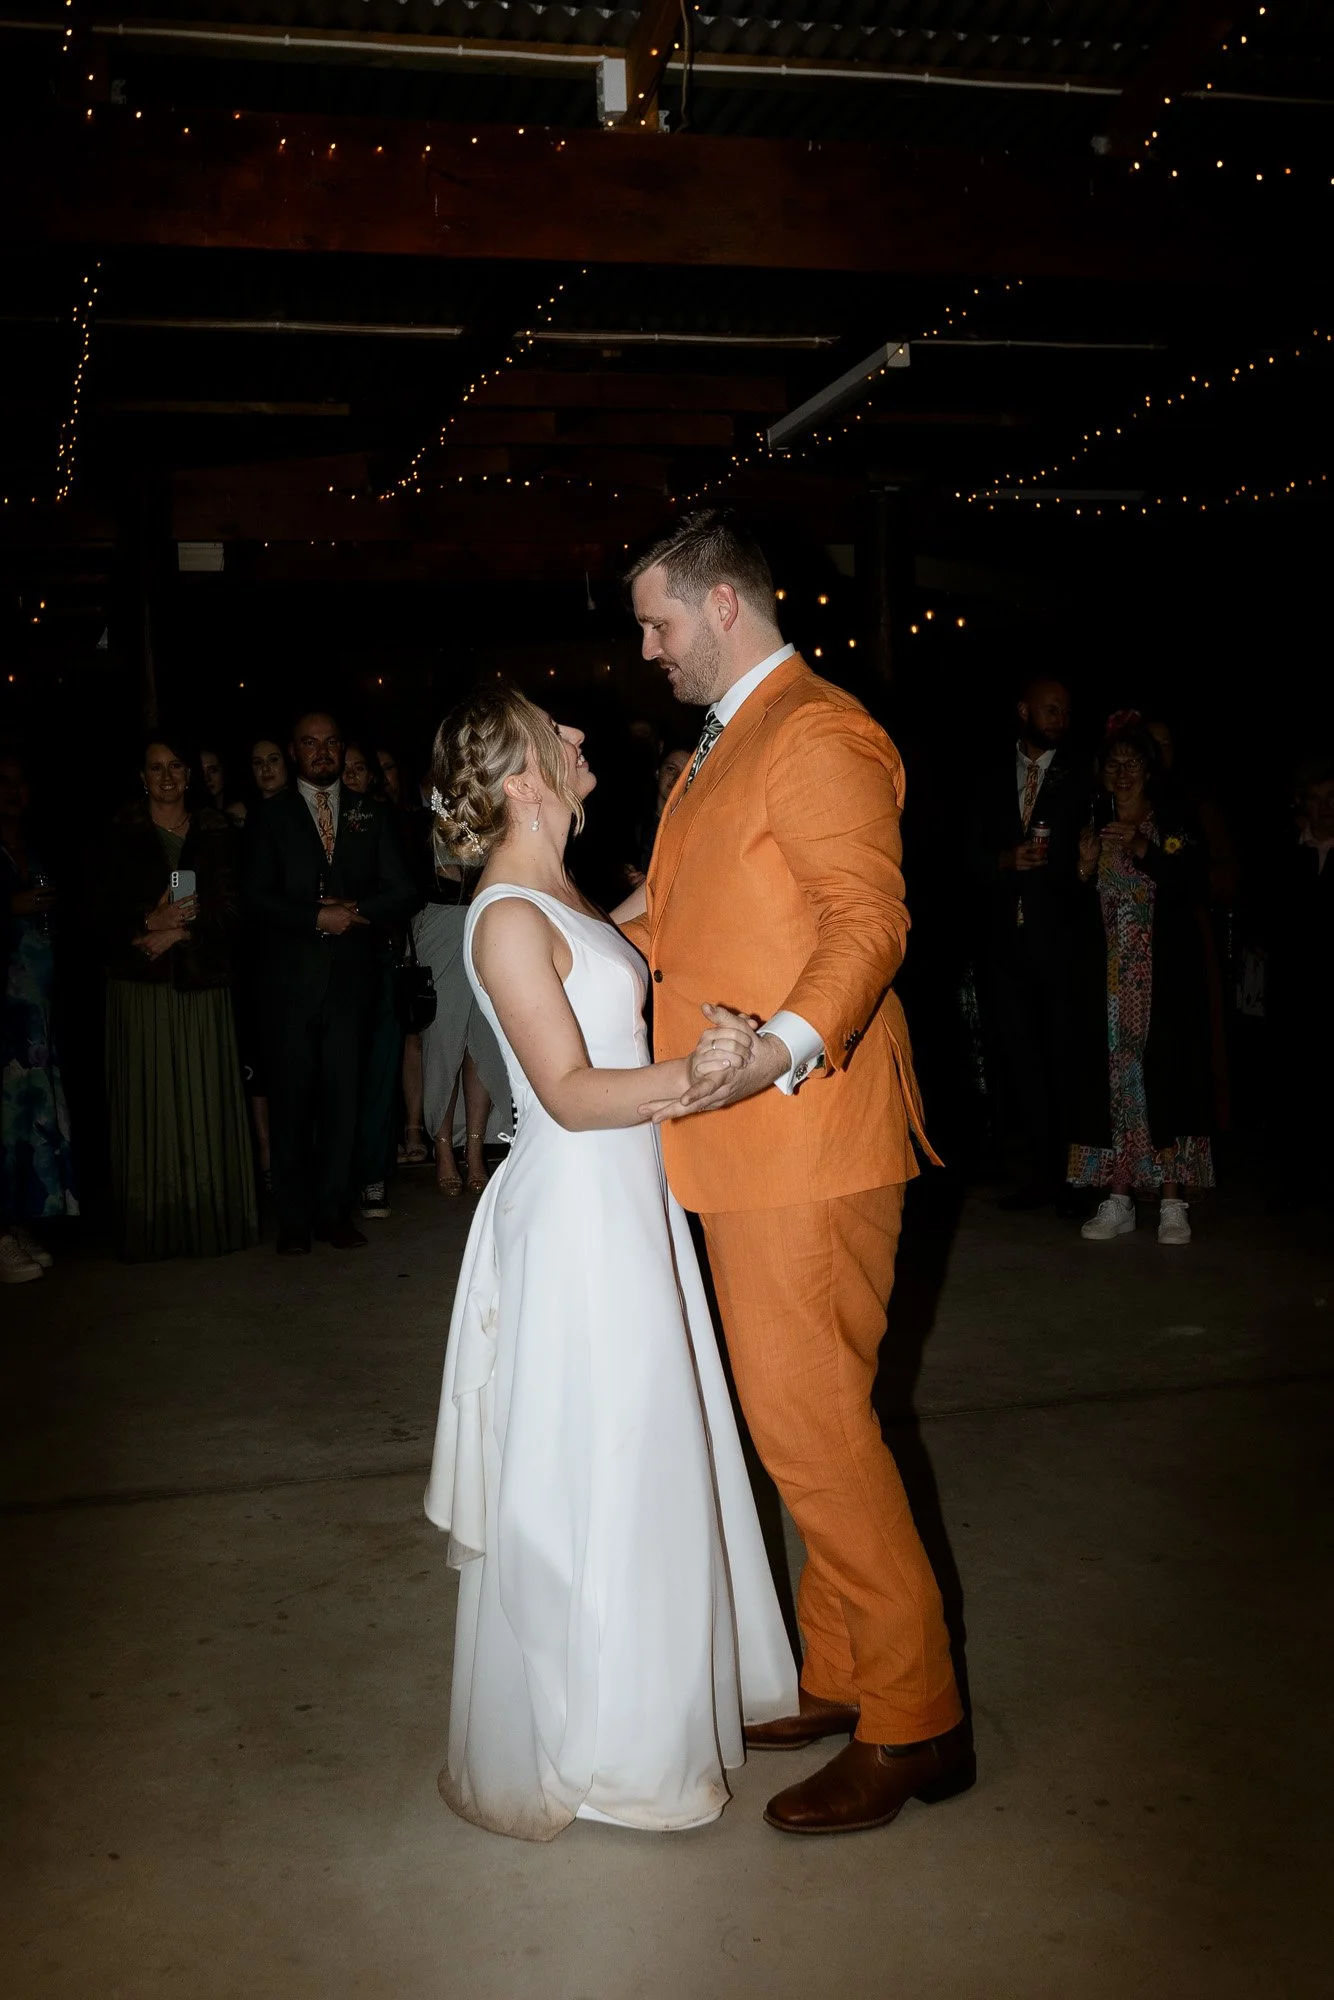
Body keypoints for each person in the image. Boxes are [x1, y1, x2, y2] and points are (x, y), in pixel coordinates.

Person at [618, 510, 970, 1836]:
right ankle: (842, 1675)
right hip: (746, 1147)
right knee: (806, 1427)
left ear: (721, 607)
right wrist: (555, 931)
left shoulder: (814, 730)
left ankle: (915, 1721)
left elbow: (867, 918)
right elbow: (679, 907)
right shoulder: (727, 744)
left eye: (656, 622)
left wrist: (776, 1049)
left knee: (815, 1434)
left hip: (805, 1142)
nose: (646, 649)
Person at [423, 685, 797, 1841]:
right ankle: (605, 1748)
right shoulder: (499, 917)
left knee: (640, 1446)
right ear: (525, 780)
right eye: (557, 734)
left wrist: (694, 834)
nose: (582, 737)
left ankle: (639, 1716)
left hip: (623, 1207)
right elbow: (576, 1093)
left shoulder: (554, 895)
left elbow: (632, 939)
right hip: (578, 1216)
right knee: (604, 1455)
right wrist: (706, 1073)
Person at [242, 710, 417, 1253]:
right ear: (293, 751)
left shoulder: (370, 814)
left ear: (343, 751)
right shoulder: (269, 817)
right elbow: (254, 896)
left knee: (345, 1098)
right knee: (293, 1100)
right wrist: (314, 918)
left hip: (351, 980)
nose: (322, 752)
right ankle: (293, 1222)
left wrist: (357, 910)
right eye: (310, 743)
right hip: (289, 984)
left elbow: (405, 889)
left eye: (332, 743)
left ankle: (334, 1212)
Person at [96, 737, 257, 1259]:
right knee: (152, 1104)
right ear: (141, 777)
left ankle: (211, 1222)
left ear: (190, 775)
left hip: (199, 987)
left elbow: (235, 913)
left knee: (203, 1099)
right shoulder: (117, 835)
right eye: (155, 768)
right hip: (140, 992)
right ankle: (153, 1225)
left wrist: (182, 933)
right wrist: (149, 922)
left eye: (176, 767)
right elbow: (92, 916)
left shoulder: (216, 833)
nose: (166, 776)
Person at [1066, 717, 1215, 1246]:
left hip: (1161, 981)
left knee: (1166, 1083)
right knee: (1116, 1087)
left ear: (1150, 771)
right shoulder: (1091, 822)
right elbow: (1072, 915)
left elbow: (1193, 883)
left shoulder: (1170, 823)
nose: (1123, 772)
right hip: (1107, 985)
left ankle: (1173, 1200)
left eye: (1133, 763)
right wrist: (1083, 870)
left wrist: (1143, 848)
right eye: (1114, 764)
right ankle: (1121, 1195)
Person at [967, 675, 1089, 1210]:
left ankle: (1077, 1175)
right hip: (1004, 945)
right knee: (1021, 1058)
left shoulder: (1081, 776)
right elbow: (960, 853)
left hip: (1061, 940)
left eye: (1065, 711)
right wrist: (1002, 861)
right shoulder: (989, 774)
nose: (1060, 720)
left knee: (1066, 1054)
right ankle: (1042, 1175)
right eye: (1051, 710)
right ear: (1024, 711)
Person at [1, 748, 78, 1282]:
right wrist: (12, 907)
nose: (11, 791)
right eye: (1, 781)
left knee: (30, 1114)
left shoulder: (34, 845)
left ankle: (20, 1219)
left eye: (19, 780)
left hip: (38, 1005)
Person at [1261, 758, 1334, 1208]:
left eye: (1333, 799)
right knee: (1295, 1089)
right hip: (1295, 993)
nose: (1326, 809)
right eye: (1317, 800)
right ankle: (1297, 1185)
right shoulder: (1287, 852)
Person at [226, 736, 289, 828]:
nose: (265, 768)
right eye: (258, 762)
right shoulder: (240, 813)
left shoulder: (306, 803)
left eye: (273, 760)